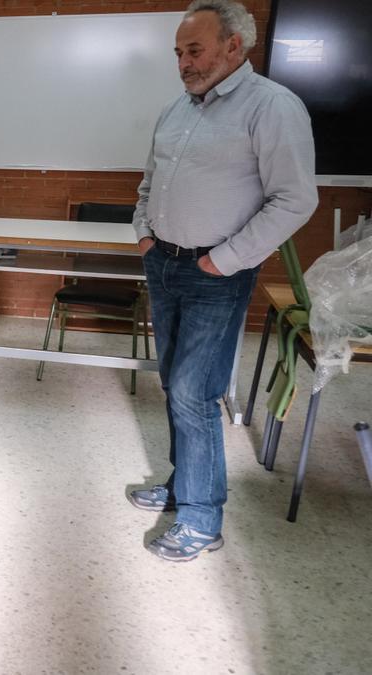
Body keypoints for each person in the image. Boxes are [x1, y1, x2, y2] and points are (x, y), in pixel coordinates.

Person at [128, 0, 317, 562]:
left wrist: (224, 259)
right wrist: (144, 232)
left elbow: (295, 200)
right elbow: (149, 183)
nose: (184, 63)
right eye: (179, 53)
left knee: (195, 390)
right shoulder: (176, 111)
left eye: (195, 50)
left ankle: (202, 518)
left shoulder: (273, 108)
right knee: (173, 381)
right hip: (163, 261)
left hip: (216, 272)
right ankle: (186, 484)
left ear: (235, 46)